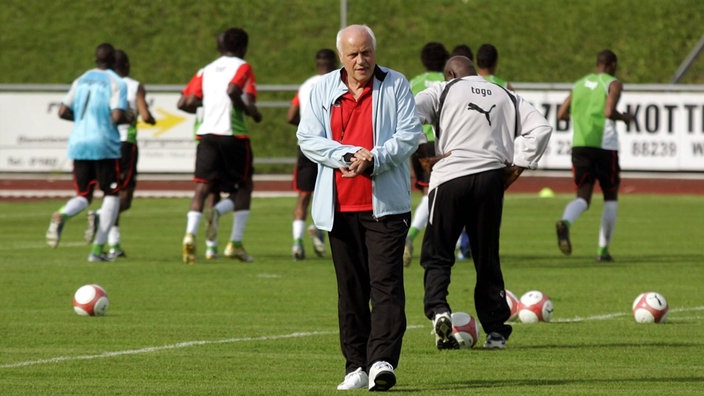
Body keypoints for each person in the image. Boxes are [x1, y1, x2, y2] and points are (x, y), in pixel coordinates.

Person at [296, 24, 422, 391]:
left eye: (366, 52)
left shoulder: (396, 84)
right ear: (341, 56)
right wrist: (347, 155)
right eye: (353, 54)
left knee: (386, 285)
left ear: (375, 51)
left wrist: (375, 158)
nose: (361, 60)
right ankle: (355, 365)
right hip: (339, 206)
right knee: (350, 288)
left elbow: (409, 134)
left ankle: (382, 361)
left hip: (385, 206)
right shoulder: (322, 89)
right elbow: (308, 138)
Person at [415, 56, 552, 350]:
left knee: (438, 253)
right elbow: (541, 128)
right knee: (486, 257)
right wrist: (518, 165)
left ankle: (439, 310)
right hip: (490, 179)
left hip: (451, 176)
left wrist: (422, 152)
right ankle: (496, 332)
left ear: (450, 73)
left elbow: (407, 114)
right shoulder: (507, 95)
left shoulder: (443, 89)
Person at [177, 27, 262, 264]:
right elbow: (235, 91)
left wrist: (207, 105)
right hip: (233, 134)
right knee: (244, 186)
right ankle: (234, 242)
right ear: (244, 47)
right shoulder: (243, 67)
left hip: (206, 135)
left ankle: (189, 235)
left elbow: (185, 102)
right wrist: (251, 113)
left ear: (220, 46)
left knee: (202, 190)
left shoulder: (205, 70)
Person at [46, 43, 130, 262]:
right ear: (114, 61)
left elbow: (63, 111)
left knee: (84, 195)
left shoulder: (81, 79)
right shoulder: (117, 82)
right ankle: (97, 251)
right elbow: (118, 115)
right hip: (104, 144)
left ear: (95, 59)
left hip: (79, 143)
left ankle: (62, 214)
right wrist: (126, 118)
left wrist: (83, 122)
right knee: (111, 195)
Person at [555, 49, 634, 262]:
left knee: (583, 197)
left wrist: (581, 119)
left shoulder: (579, 84)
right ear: (613, 65)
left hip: (580, 144)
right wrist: (625, 117)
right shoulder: (613, 83)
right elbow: (609, 112)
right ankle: (602, 252)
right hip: (605, 146)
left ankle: (566, 222)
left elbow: (560, 114)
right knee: (610, 196)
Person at [84, 49, 157, 258]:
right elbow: (144, 114)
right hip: (127, 143)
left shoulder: (102, 84)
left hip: (106, 143)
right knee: (124, 198)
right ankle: (100, 216)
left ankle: (114, 245)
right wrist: (150, 119)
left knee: (112, 194)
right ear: (126, 65)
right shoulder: (133, 85)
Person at [286, 48, 338, 261]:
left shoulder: (306, 85)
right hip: (330, 146)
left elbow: (290, 116)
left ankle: (297, 242)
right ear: (335, 62)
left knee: (303, 196)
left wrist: (307, 127)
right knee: (332, 194)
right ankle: (319, 231)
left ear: (317, 64)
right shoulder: (337, 82)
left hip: (306, 146)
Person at [403, 42, 449, 267]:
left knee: (427, 194)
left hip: (418, 143)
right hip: (441, 145)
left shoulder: (413, 83)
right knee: (440, 196)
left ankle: (416, 237)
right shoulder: (450, 81)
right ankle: (413, 237)